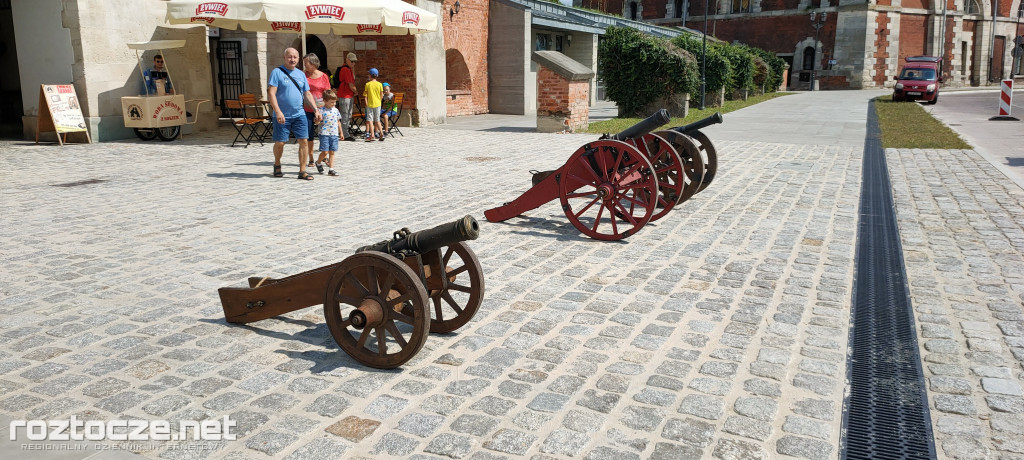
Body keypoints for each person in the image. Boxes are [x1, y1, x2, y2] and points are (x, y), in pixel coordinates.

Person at [268, 47, 321, 180]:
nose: (292, 59)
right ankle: (277, 164)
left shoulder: (301, 74)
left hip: (299, 114)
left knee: (303, 140)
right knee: (281, 142)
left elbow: (307, 93)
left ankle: (302, 171)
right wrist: (278, 111)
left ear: (298, 59)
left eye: (295, 57)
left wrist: (316, 109)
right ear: (284, 58)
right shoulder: (277, 72)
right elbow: (271, 93)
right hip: (282, 115)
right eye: (289, 57)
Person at [302, 53, 331, 167]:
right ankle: (311, 158)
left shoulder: (323, 76)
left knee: (325, 133)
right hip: (307, 109)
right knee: (309, 134)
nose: (304, 65)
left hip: (322, 109)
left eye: (306, 63)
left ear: (313, 64)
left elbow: (328, 92)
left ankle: (324, 156)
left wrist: (330, 106)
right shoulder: (304, 76)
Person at [314, 90, 342, 176]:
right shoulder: (321, 110)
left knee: (332, 151)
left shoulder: (335, 110)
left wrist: (341, 132)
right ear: (325, 101)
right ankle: (318, 162)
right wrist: (317, 121)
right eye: (331, 102)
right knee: (325, 152)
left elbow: (338, 121)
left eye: (334, 102)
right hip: (324, 133)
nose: (333, 104)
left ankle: (331, 168)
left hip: (334, 133)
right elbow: (316, 122)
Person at [334, 52, 358, 142]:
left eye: (354, 62)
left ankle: (344, 132)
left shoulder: (349, 69)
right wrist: (356, 92)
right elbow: (351, 84)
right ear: (347, 60)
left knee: (348, 115)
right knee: (345, 115)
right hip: (345, 95)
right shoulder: (345, 70)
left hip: (348, 95)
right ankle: (344, 133)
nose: (353, 63)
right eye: (352, 61)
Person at [363, 68, 384, 142]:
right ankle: (381, 133)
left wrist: (366, 103)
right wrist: (379, 101)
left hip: (370, 104)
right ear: (377, 75)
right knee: (377, 120)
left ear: (370, 75)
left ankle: (372, 135)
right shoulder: (380, 84)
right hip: (378, 104)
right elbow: (382, 95)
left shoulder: (367, 84)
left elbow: (365, 95)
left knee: (370, 120)